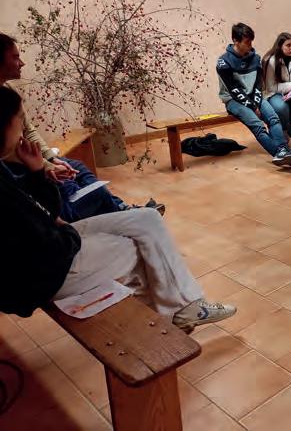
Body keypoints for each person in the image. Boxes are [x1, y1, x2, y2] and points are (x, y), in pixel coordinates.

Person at [0, 86, 236, 332]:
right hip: (45, 275)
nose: (24, 129)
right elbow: (50, 243)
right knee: (141, 248)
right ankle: (177, 313)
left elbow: (47, 212)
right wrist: (65, 229)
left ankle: (177, 313)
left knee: (148, 219)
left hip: (51, 246)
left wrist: (38, 172)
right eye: (19, 120)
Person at [0, 33, 163, 221]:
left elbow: (29, 131)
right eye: (15, 57)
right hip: (23, 168)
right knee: (77, 185)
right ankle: (124, 213)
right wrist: (46, 166)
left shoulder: (9, 91)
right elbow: (12, 151)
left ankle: (121, 208)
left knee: (76, 167)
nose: (22, 63)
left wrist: (51, 158)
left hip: (32, 162)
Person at [216, 23, 291, 168]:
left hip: (254, 97)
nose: (250, 45)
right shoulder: (223, 62)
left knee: (273, 118)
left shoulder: (256, 59)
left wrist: (256, 102)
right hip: (234, 100)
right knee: (258, 125)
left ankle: (283, 150)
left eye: (251, 41)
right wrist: (253, 107)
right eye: (247, 42)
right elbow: (234, 90)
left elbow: (258, 85)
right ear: (235, 41)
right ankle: (279, 153)